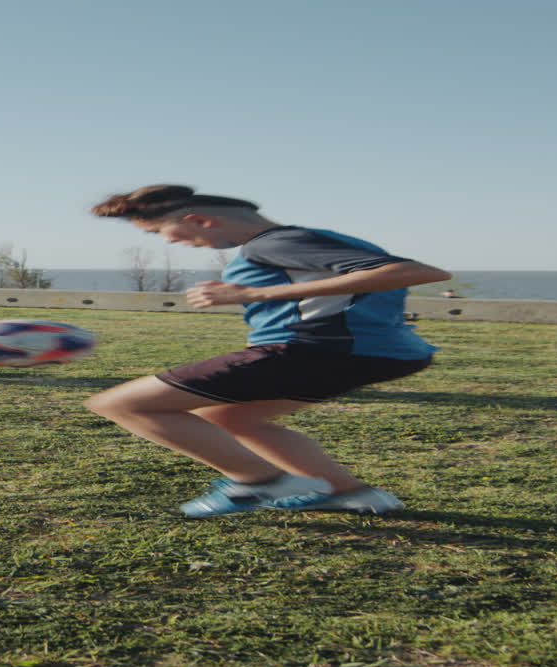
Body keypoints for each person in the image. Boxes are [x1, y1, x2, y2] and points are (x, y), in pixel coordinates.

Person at [84, 185, 451, 517]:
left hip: (314, 351)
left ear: (199, 220)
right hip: (376, 353)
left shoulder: (273, 243)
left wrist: (251, 294)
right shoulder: (309, 239)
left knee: (118, 404)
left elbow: (416, 272)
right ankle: (351, 493)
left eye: (159, 232)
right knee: (230, 419)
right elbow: (353, 290)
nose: (168, 242)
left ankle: (257, 481)